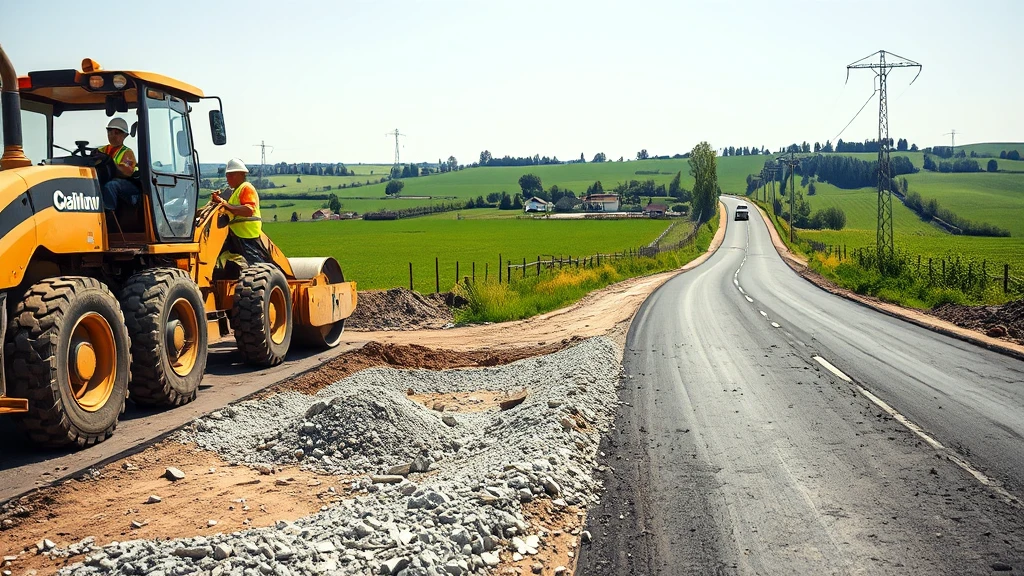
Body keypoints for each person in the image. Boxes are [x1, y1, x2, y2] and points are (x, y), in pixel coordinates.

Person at [211, 158, 269, 266]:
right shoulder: (235, 191)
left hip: (247, 234)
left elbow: (248, 210)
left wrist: (225, 205)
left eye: (231, 175)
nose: (228, 178)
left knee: (256, 265)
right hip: (237, 235)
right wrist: (219, 202)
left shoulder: (246, 188)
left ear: (241, 174)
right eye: (227, 175)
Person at [98, 117, 139, 210]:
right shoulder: (101, 150)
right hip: (105, 179)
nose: (112, 135)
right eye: (110, 132)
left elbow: (127, 172)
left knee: (111, 185)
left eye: (116, 133)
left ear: (124, 135)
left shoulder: (127, 152)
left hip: (126, 183)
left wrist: (110, 164)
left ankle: (109, 212)